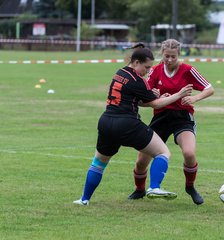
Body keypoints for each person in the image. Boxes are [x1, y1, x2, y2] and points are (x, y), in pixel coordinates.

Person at [73, 44, 193, 205]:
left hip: (106, 122)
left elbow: (140, 97)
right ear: (136, 62)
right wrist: (179, 94)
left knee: (99, 163)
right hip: (127, 124)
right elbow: (155, 104)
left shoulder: (120, 73)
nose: (149, 71)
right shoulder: (138, 80)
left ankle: (84, 199)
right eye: (146, 67)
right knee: (163, 153)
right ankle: (154, 187)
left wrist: (152, 95)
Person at [128, 39, 215, 205]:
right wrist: (155, 96)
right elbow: (142, 98)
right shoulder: (154, 71)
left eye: (173, 57)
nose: (169, 60)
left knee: (189, 153)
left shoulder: (188, 70)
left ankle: (190, 187)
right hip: (160, 118)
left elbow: (210, 88)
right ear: (162, 54)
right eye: (166, 56)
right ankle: (139, 190)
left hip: (182, 118)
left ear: (179, 55)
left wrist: (194, 98)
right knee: (141, 161)